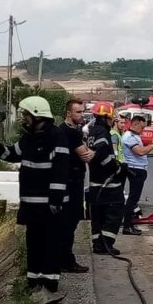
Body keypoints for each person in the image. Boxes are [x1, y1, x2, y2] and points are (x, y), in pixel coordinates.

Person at [0, 96, 69, 304]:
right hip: (31, 205)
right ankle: (33, 285)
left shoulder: (56, 136)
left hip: (50, 205)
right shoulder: (29, 138)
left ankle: (49, 286)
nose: (23, 118)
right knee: (33, 244)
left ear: (35, 115)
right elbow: (12, 154)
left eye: (25, 114)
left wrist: (56, 201)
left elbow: (60, 171)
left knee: (50, 245)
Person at [60, 99, 95, 273]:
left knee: (67, 222)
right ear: (69, 113)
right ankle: (66, 260)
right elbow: (86, 156)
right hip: (72, 181)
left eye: (83, 111)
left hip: (68, 180)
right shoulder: (71, 133)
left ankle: (63, 258)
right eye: (79, 112)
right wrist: (94, 150)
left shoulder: (62, 130)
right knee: (70, 222)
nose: (82, 115)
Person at [88, 102, 126, 255]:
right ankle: (107, 243)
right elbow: (104, 156)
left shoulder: (93, 131)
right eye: (111, 119)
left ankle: (98, 243)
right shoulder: (103, 133)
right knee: (114, 212)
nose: (112, 122)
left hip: (95, 182)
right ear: (105, 118)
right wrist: (118, 168)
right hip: (107, 182)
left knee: (97, 215)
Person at [121, 116, 153, 235]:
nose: (142, 130)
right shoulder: (129, 137)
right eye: (142, 127)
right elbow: (140, 152)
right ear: (135, 124)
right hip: (135, 169)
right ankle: (127, 226)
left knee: (134, 199)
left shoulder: (135, 136)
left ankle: (130, 224)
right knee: (133, 199)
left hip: (139, 169)